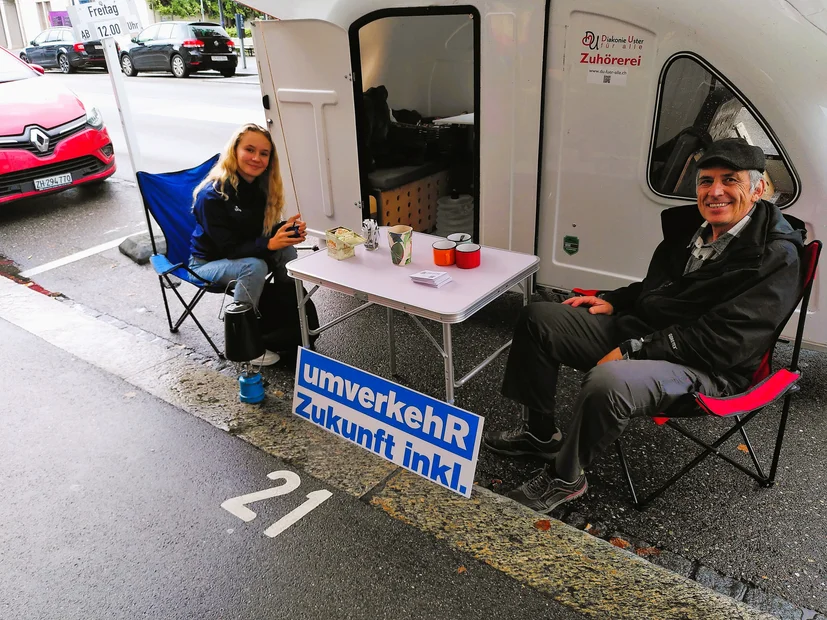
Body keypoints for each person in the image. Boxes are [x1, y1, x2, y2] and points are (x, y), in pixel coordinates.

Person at [484, 138, 804, 513]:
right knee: (539, 317)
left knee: (610, 381)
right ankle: (539, 435)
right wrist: (616, 300)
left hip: (708, 367)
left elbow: (727, 342)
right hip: (648, 333)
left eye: (729, 180)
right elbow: (661, 288)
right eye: (705, 181)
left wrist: (636, 350)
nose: (715, 192)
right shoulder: (695, 227)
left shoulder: (776, 257)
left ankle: (566, 476)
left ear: (758, 188)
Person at [189, 123, 307, 366]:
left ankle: (295, 321)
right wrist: (269, 243)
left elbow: (256, 232)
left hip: (243, 253)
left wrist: (284, 231)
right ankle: (246, 341)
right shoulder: (211, 196)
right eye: (249, 150)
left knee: (287, 251)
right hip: (207, 262)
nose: (256, 158)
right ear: (235, 150)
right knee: (254, 267)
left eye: (264, 153)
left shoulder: (260, 187)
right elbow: (230, 249)